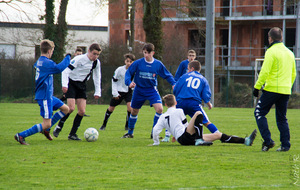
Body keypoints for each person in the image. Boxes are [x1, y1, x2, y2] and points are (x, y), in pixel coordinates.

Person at [14, 39, 71, 145]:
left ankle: (46, 130)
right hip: (45, 97)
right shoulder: (46, 63)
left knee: (66, 109)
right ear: (49, 51)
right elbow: (59, 68)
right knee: (46, 123)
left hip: (48, 96)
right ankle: (21, 135)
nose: (52, 53)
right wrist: (68, 57)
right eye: (52, 51)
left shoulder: (39, 61)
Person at [152, 94, 257, 146]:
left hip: (184, 139)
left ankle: (245, 141)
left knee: (218, 135)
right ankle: (199, 140)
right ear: (176, 103)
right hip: (185, 136)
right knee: (198, 113)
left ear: (165, 105)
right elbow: (185, 125)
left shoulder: (162, 116)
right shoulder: (179, 111)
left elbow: (155, 130)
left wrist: (156, 142)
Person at [253, 27, 296, 152]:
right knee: (282, 118)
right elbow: (293, 73)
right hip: (285, 90)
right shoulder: (290, 53)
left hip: (272, 89)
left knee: (259, 113)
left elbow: (264, 71)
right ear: (281, 38)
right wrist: (288, 86)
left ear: (270, 38)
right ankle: (285, 145)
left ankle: (268, 141)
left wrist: (257, 87)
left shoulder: (271, 52)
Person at [123, 43, 176, 138]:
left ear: (153, 53)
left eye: (148, 53)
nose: (146, 55)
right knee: (134, 111)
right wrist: (129, 82)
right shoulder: (138, 63)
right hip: (139, 90)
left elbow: (167, 75)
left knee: (160, 109)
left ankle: (154, 133)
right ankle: (130, 133)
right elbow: (128, 73)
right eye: (144, 53)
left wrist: (173, 83)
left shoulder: (158, 64)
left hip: (151, 90)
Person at [53, 43, 102, 140]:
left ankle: (72, 134)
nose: (95, 56)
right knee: (70, 108)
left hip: (82, 85)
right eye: (94, 54)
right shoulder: (79, 59)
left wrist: (98, 91)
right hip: (71, 83)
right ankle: (59, 126)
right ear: (89, 51)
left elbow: (97, 76)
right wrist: (65, 84)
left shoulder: (96, 63)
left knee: (82, 111)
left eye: (98, 55)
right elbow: (65, 70)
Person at [173, 60, 219, 134]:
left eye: (188, 69)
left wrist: (178, 98)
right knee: (206, 122)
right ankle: (218, 134)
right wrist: (208, 103)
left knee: (173, 119)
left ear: (192, 68)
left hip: (181, 102)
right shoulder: (203, 79)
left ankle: (167, 137)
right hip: (194, 104)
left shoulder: (184, 76)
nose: (187, 70)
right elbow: (205, 94)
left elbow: (175, 89)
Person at [100, 53, 135, 131]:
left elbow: (134, 81)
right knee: (111, 109)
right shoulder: (119, 70)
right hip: (119, 92)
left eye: (131, 61)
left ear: (133, 62)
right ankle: (103, 125)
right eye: (127, 61)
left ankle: (127, 126)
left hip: (128, 92)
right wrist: (115, 93)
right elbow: (114, 81)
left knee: (130, 108)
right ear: (125, 61)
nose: (129, 63)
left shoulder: (134, 71)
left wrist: (134, 86)